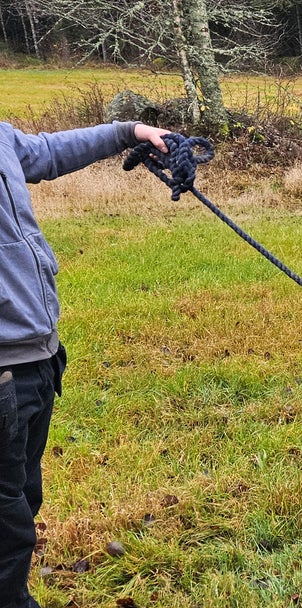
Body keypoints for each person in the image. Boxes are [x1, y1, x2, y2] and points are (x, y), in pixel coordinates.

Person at [1, 120, 171, 608]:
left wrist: (127, 132)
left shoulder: (1, 139)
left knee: (21, 500)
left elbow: (50, 150)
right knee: (6, 526)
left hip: (35, 362)